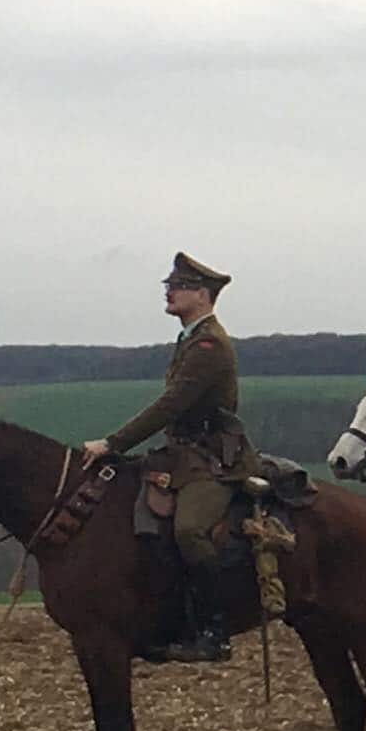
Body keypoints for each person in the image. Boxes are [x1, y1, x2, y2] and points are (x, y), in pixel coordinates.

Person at [89, 251, 253, 662]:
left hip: (213, 459)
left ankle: (214, 630)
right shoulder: (190, 339)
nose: (169, 291)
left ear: (202, 295)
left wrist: (113, 443)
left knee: (189, 530)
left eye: (177, 286)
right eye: (169, 285)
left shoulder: (209, 344)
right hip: (183, 455)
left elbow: (171, 405)